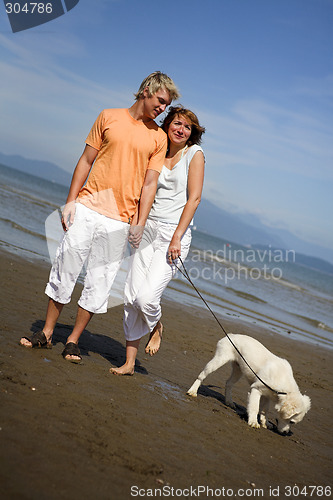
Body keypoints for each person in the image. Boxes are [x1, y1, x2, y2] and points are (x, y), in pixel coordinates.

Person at [20, 71, 180, 363]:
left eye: (166, 105)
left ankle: (73, 340)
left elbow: (149, 184)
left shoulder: (158, 137)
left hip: (120, 220)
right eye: (160, 101)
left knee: (99, 282)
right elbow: (86, 160)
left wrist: (139, 222)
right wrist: (70, 201)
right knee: (64, 270)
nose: (162, 109)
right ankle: (46, 332)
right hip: (87, 207)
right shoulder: (108, 116)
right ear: (146, 90)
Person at [110, 105, 205, 375]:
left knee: (147, 298)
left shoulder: (194, 154)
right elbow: (143, 189)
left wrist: (177, 237)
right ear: (167, 126)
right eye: (177, 123)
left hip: (173, 236)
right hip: (147, 228)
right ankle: (129, 362)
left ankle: (157, 325)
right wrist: (135, 223)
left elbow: (194, 199)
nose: (181, 129)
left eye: (187, 127)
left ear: (192, 133)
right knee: (130, 296)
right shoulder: (157, 150)